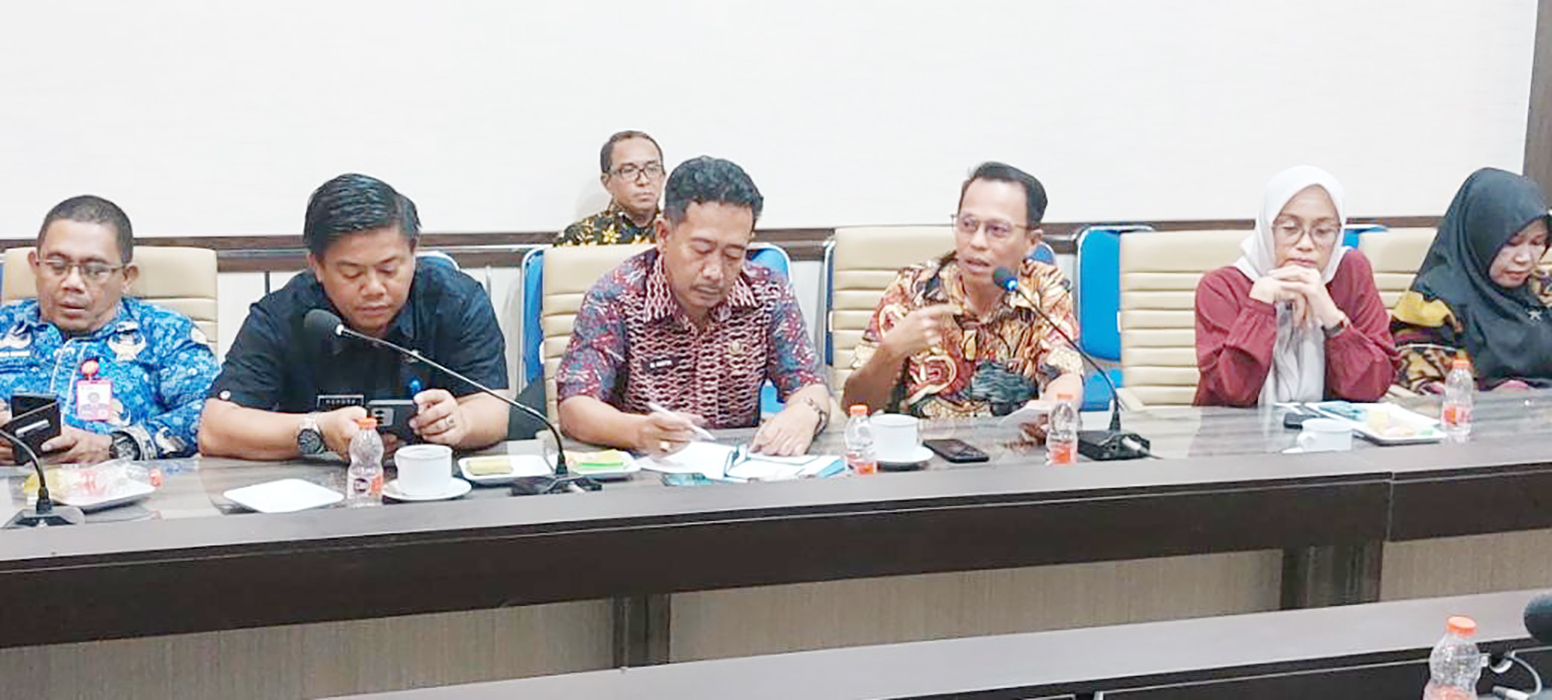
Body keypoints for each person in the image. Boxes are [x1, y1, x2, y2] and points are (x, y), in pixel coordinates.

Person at [199, 173, 510, 460]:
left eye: (389, 269)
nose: (373, 288)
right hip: (314, 491)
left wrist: (461, 422)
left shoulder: (455, 300)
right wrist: (318, 430)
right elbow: (215, 429)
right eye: (351, 273)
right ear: (316, 265)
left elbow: (494, 409)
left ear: (414, 252)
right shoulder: (283, 314)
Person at [556, 156, 830, 457]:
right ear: (663, 235)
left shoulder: (768, 292)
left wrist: (806, 413)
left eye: (733, 255)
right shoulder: (617, 297)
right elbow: (575, 406)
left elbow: (809, 384)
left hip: (741, 469)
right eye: (701, 250)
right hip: (647, 468)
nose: (715, 272)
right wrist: (638, 431)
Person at [843, 162, 1084, 422]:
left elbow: (1065, 375)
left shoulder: (1044, 288)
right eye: (968, 224)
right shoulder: (913, 288)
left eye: (997, 230)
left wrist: (1054, 410)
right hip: (923, 446)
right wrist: (889, 352)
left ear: (1031, 242)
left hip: (1016, 445)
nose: (977, 242)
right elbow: (855, 406)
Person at [0, 195, 219, 464]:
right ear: (36, 266)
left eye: (94, 270)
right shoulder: (5, 325)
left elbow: (213, 416)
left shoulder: (165, 333)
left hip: (123, 485)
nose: (72, 282)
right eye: (57, 266)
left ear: (126, 277)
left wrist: (115, 445)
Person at [1194, 166, 1396, 407]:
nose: (1306, 244)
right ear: (1267, 228)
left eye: (1323, 231)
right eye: (1290, 228)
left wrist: (1331, 318)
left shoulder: (1350, 272)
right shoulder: (1221, 287)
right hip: (1237, 431)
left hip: (1327, 428)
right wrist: (1260, 304)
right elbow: (1231, 394)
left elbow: (1373, 386)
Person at [1392, 167, 1552, 392]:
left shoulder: (1543, 288)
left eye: (1537, 243)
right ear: (1479, 237)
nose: (1525, 258)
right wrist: (1487, 395)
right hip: (1481, 411)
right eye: (1512, 243)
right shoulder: (1433, 303)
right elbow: (1419, 388)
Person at [556, 130, 665, 246]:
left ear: (663, 176)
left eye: (652, 169)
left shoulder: (675, 231)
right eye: (629, 170)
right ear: (607, 182)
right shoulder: (580, 237)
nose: (643, 181)